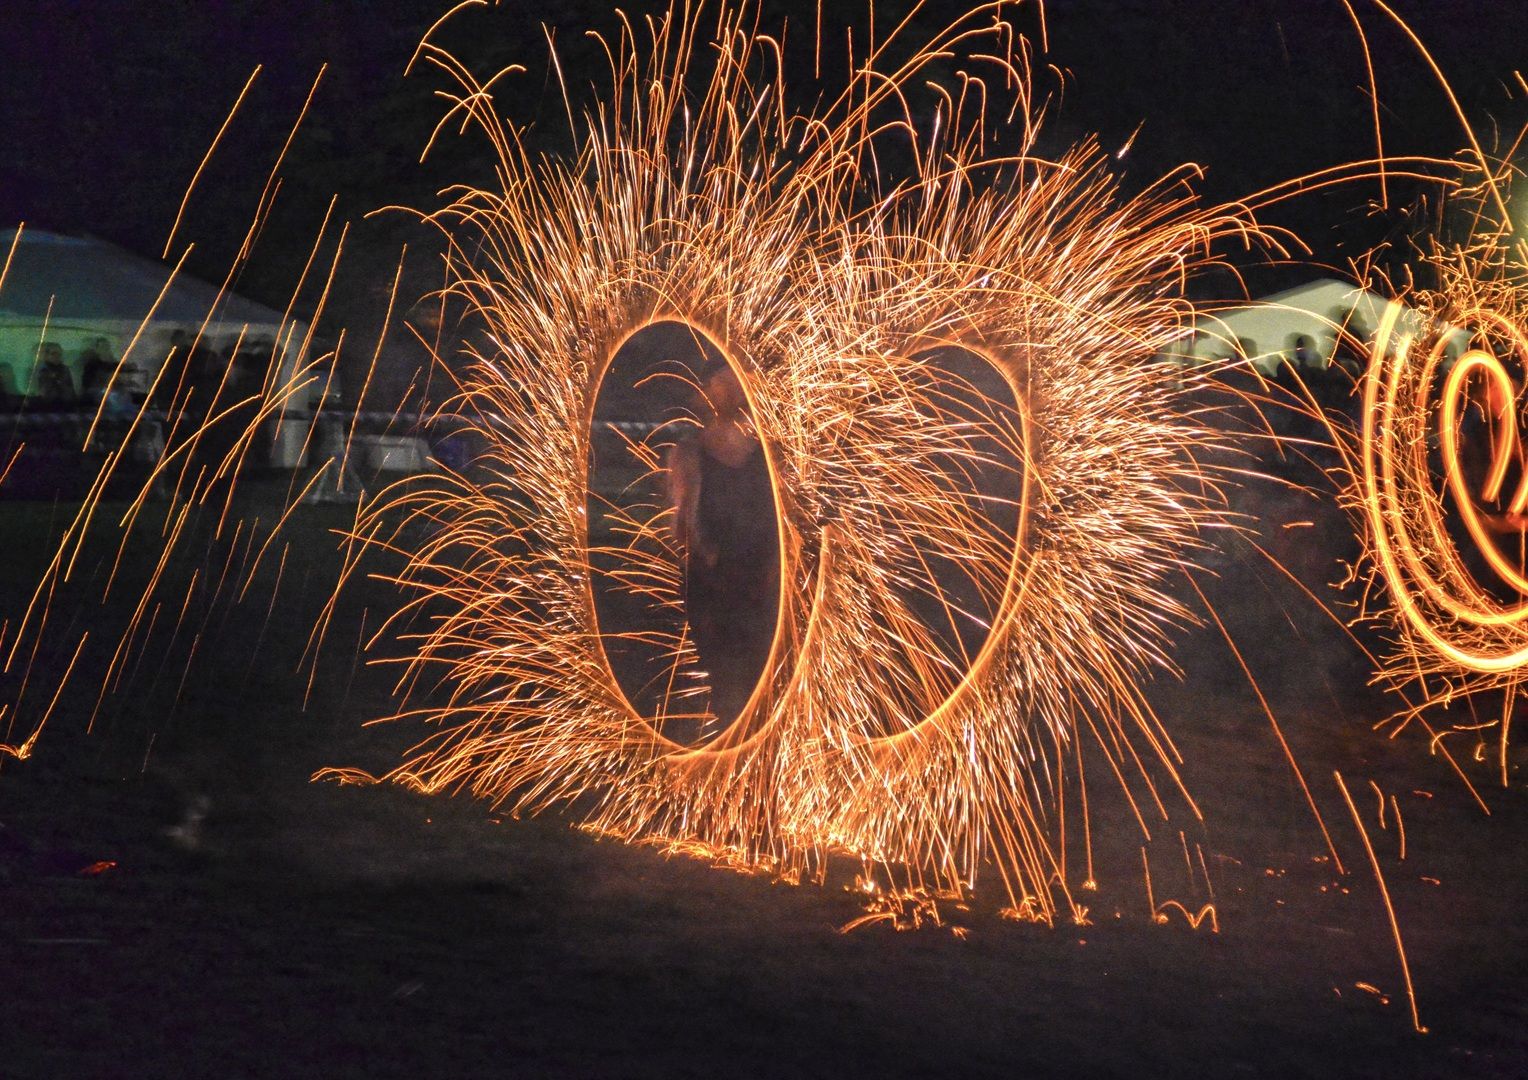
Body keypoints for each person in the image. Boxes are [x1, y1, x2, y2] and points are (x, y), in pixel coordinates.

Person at [666, 361, 779, 727]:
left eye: (732, 380)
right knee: (730, 698)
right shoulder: (689, 454)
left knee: (767, 695)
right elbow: (681, 529)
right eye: (717, 380)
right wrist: (708, 558)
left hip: (765, 592)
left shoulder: (770, 455)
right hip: (716, 595)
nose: (725, 387)